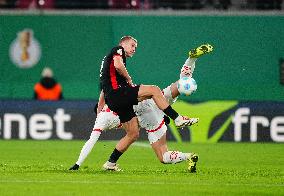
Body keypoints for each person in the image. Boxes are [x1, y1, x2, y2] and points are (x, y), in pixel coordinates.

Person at [69, 44, 213, 172]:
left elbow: (118, 123)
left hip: (149, 115)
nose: (134, 49)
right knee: (180, 84)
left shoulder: (110, 114)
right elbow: (105, 93)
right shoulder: (112, 102)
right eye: (133, 46)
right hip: (155, 103)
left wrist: (78, 163)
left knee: (159, 153)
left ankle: (188, 155)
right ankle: (191, 60)